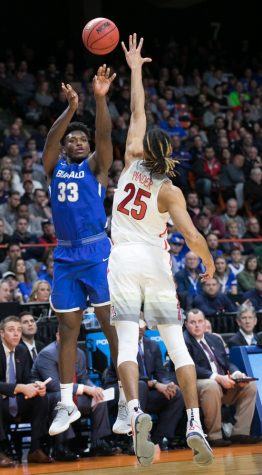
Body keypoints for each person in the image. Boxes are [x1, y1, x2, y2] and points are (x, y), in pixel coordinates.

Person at [108, 33, 215, 466]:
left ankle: (134, 413)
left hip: (122, 261)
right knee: (178, 347)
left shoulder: (131, 157)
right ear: (167, 155)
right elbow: (191, 237)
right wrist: (207, 263)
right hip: (154, 263)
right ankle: (193, 422)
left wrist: (135, 69)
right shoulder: (170, 192)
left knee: (127, 346)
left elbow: (138, 110)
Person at [42, 65, 121, 438]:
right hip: (65, 255)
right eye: (71, 139)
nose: (76, 141)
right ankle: (66, 402)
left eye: (81, 140)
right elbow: (49, 142)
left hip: (96, 251)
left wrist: (100, 99)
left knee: (109, 323)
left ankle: (127, 394)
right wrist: (71, 109)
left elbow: (104, 136)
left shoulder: (96, 168)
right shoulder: (54, 168)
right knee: (67, 328)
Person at [31, 330, 118, 460]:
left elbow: (83, 377)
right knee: (61, 398)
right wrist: (85, 388)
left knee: (99, 397)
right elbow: (53, 385)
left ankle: (98, 443)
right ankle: (62, 447)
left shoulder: (80, 353)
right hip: (48, 398)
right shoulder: (47, 354)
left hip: (75, 395)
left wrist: (94, 388)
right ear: (58, 336)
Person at [104, 319, 185, 450]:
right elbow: (129, 376)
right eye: (136, 322)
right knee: (139, 385)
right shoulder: (121, 344)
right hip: (119, 391)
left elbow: (161, 372)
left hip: (145, 392)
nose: (140, 326)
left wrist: (167, 384)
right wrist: (155, 384)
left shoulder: (152, 345)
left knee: (176, 394)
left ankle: (158, 440)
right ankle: (137, 439)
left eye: (142, 323)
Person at [183, 309, 258, 446]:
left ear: (205, 323)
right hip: (195, 385)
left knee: (249, 385)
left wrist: (236, 374)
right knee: (211, 385)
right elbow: (191, 367)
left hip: (221, 383)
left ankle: (240, 432)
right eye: (193, 322)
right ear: (186, 324)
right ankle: (214, 436)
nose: (197, 325)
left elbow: (226, 362)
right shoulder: (183, 341)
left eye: (200, 321)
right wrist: (217, 377)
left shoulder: (214, 339)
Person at [0, 316, 52, 464]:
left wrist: (36, 386)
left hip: (17, 401)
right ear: (2, 333)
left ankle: (35, 449)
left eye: (18, 330)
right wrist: (19, 387)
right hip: (2, 401)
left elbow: (28, 378)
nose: (16, 334)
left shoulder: (22, 351)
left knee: (41, 397)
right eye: (11, 330)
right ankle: (1, 449)